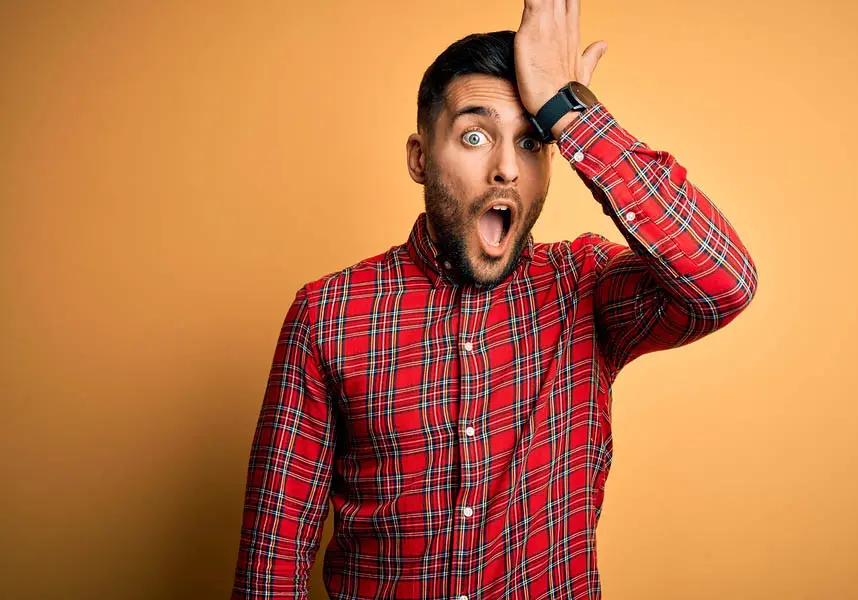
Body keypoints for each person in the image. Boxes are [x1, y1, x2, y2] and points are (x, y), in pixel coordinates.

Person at [231, 1, 758, 598]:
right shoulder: (328, 314)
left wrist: (569, 112)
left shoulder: (585, 287)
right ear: (420, 158)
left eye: (531, 142)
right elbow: (270, 565)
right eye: (475, 136)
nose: (507, 167)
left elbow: (724, 281)